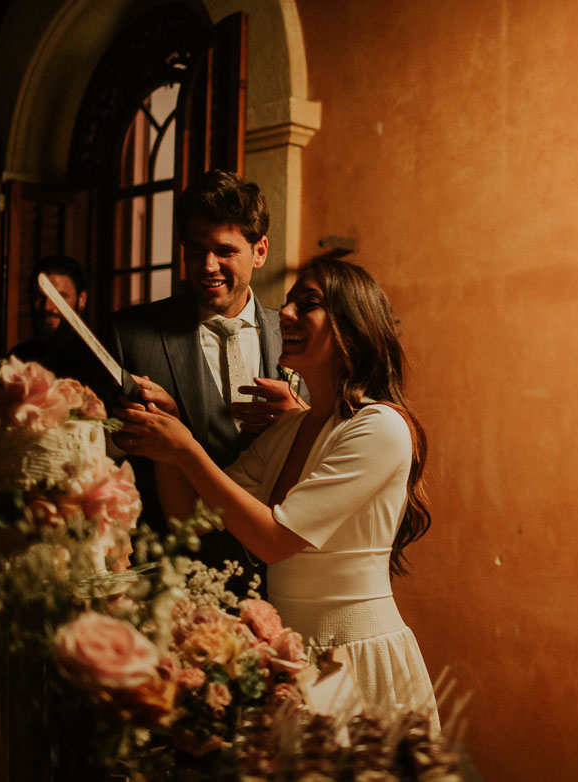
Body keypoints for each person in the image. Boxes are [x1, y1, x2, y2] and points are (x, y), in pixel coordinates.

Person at [115, 256, 437, 723]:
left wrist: (186, 450)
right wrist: (168, 438)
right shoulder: (291, 429)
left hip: (355, 651)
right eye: (287, 302)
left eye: (307, 304)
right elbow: (193, 519)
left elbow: (274, 540)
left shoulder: (379, 427)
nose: (284, 313)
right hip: (287, 652)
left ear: (353, 325)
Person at [103, 170, 305, 592]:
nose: (207, 266)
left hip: (282, 582)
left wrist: (298, 417)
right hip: (167, 581)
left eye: (224, 251)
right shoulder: (131, 335)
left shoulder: (299, 337)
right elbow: (98, 453)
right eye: (195, 251)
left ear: (260, 250)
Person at [9, 255, 102, 384]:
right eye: (40, 297)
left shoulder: (96, 360)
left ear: (81, 299)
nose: (47, 306)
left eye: (59, 297)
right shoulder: (18, 357)